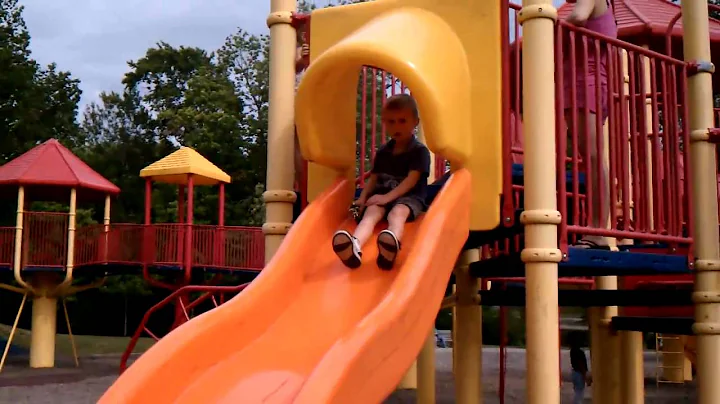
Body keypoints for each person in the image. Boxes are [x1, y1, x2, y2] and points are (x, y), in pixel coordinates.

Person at [332, 94, 431, 270]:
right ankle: (355, 245)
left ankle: (391, 244)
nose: (396, 126)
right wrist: (362, 198)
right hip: (383, 195)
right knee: (371, 213)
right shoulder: (384, 151)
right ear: (384, 122)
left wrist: (387, 198)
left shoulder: (419, 151)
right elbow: (374, 178)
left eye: (402, 121)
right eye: (391, 122)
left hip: (410, 197)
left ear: (415, 122)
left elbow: (411, 180)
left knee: (397, 213)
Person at [563, 0, 618, 249]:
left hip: (588, 82)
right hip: (579, 83)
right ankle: (595, 228)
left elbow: (577, 16)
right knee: (587, 156)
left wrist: (548, 26)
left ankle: (597, 231)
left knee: (594, 157)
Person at [569, 335, 591, 404]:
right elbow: (581, 366)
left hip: (574, 373)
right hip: (579, 374)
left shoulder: (572, 351)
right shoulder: (580, 352)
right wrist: (586, 377)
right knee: (579, 393)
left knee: (577, 392)